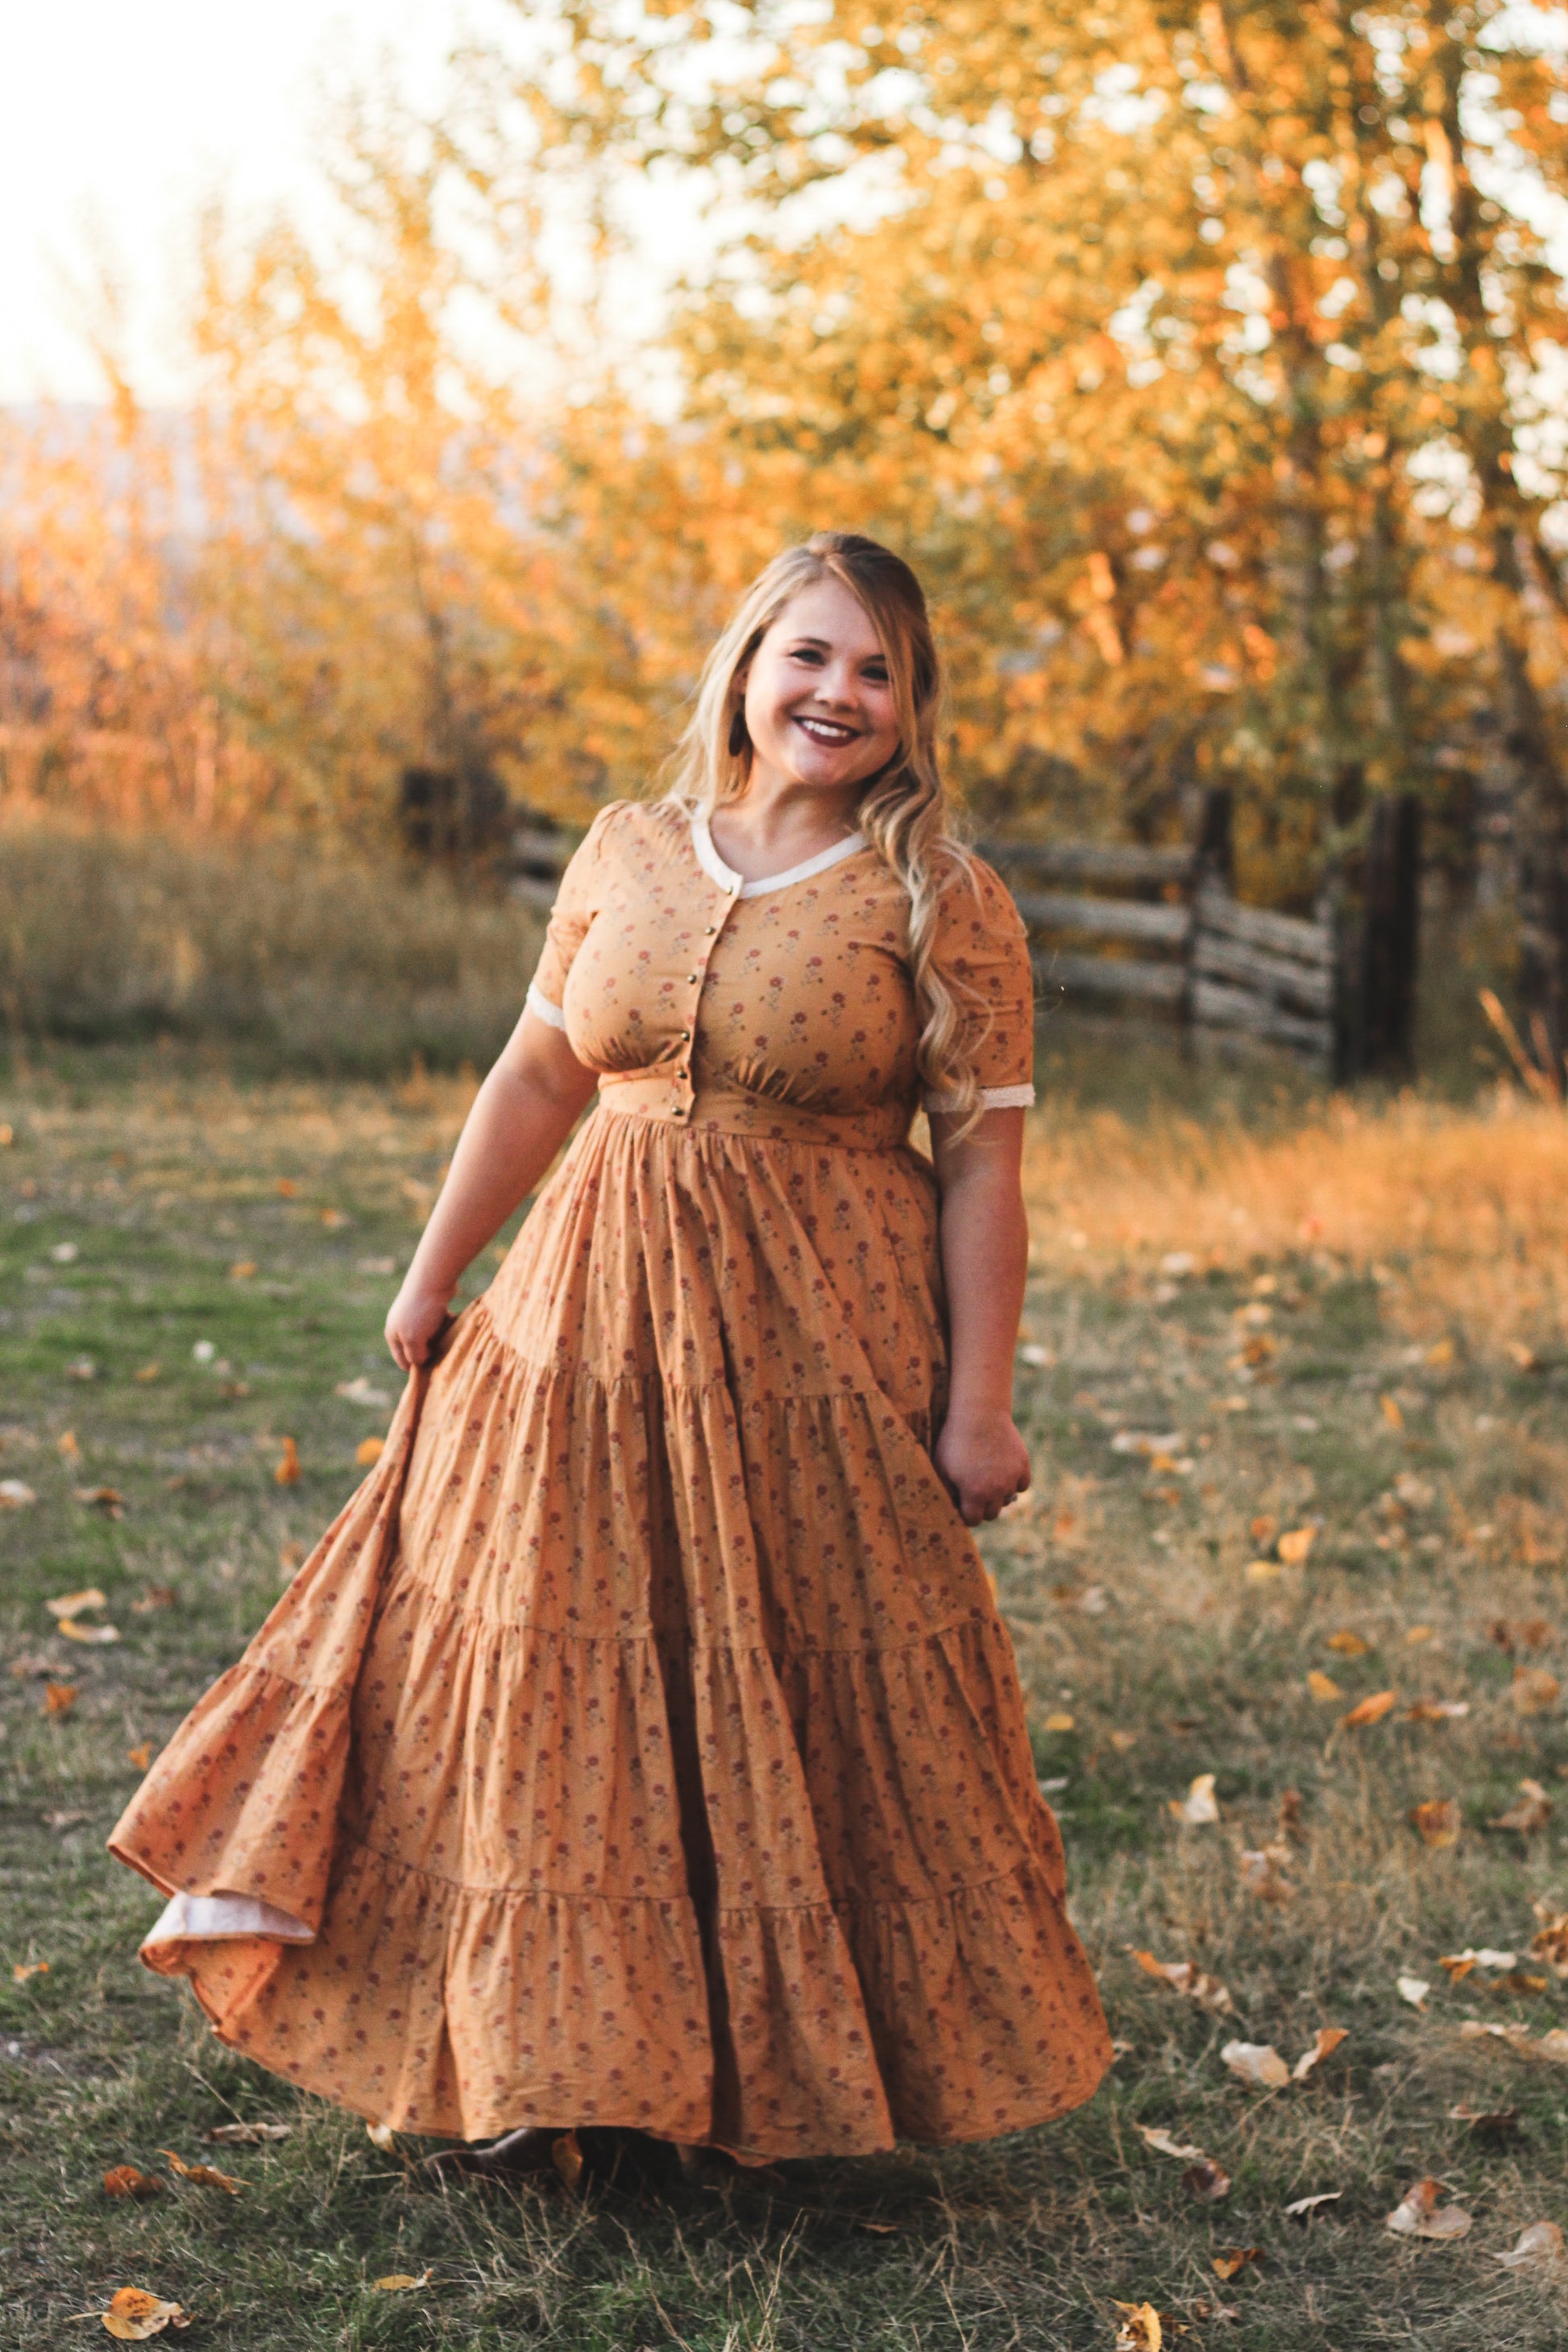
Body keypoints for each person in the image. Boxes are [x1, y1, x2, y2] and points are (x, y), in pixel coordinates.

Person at [110, 532, 1111, 2169]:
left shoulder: (941, 897)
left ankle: (750, 2077)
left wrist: (978, 1407)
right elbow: (534, 1077)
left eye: (875, 670)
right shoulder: (628, 851)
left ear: (912, 706)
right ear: (745, 664)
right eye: (809, 655)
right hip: (582, 1321)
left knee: (781, 1684)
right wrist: (435, 1275)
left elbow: (984, 1160)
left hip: (815, 1347)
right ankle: (552, 2065)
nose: (836, 692)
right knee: (551, 1666)